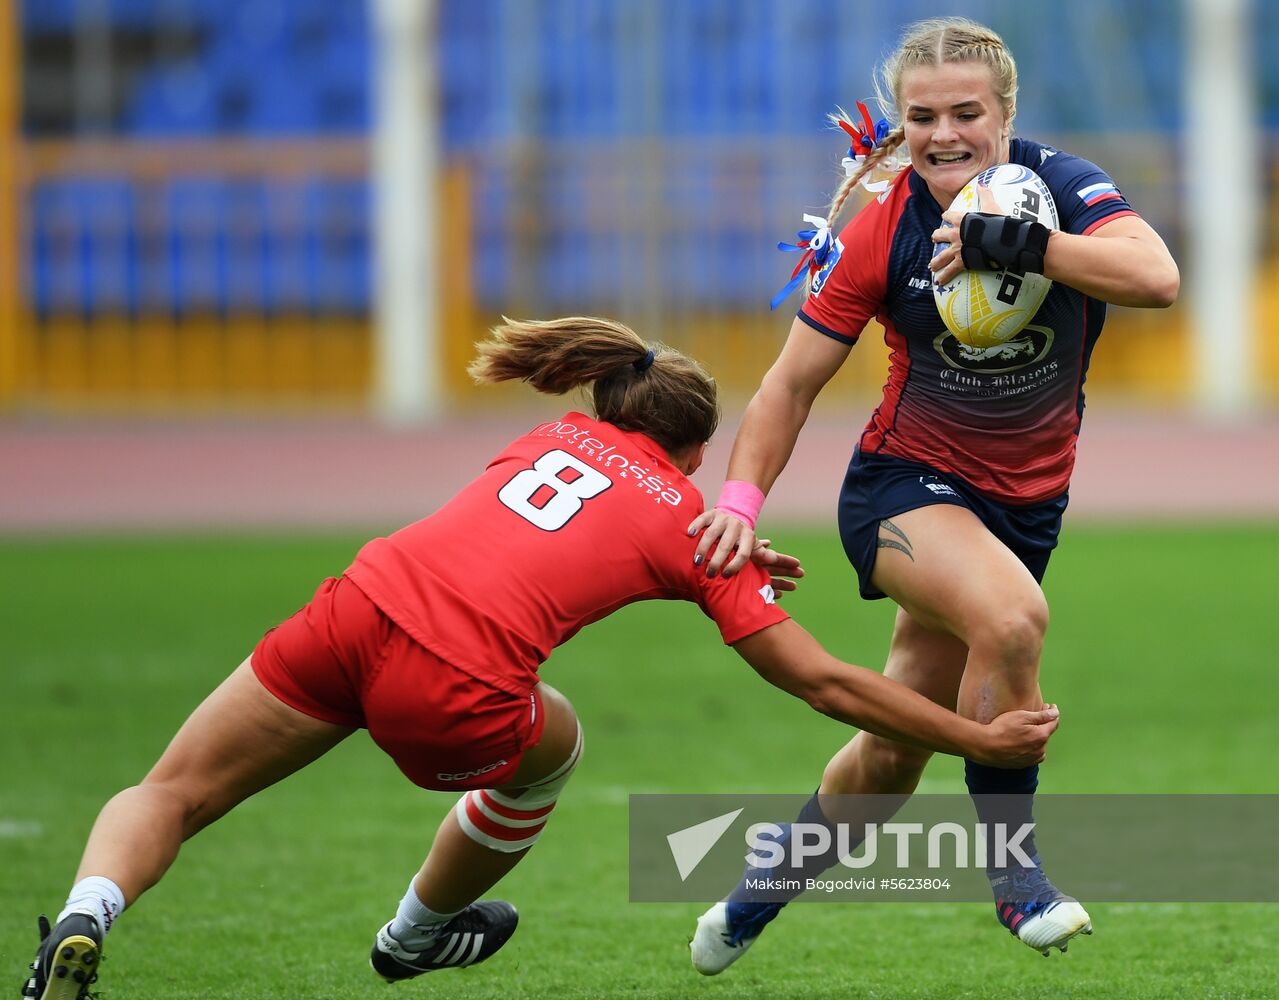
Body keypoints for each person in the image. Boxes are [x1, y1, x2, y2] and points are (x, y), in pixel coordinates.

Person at [20, 316, 1059, 1000]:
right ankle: (416, 933)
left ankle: (82, 916)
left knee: (173, 788)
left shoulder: (552, 438)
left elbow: (582, 522)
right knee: (550, 744)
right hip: (455, 684)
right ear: (697, 452)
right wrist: (978, 734)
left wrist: (717, 563)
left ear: (605, 401)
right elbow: (824, 681)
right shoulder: (690, 522)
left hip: (354, 611)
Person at [687, 15, 1179, 975]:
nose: (943, 133)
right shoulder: (883, 230)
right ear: (899, 123)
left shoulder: (1064, 187)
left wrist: (1021, 245)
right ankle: (1016, 879)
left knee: (890, 753)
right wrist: (738, 509)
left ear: (1005, 113)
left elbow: (1154, 276)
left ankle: (755, 897)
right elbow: (787, 387)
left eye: (966, 112)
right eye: (921, 116)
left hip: (1024, 508)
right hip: (901, 493)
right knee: (1014, 619)